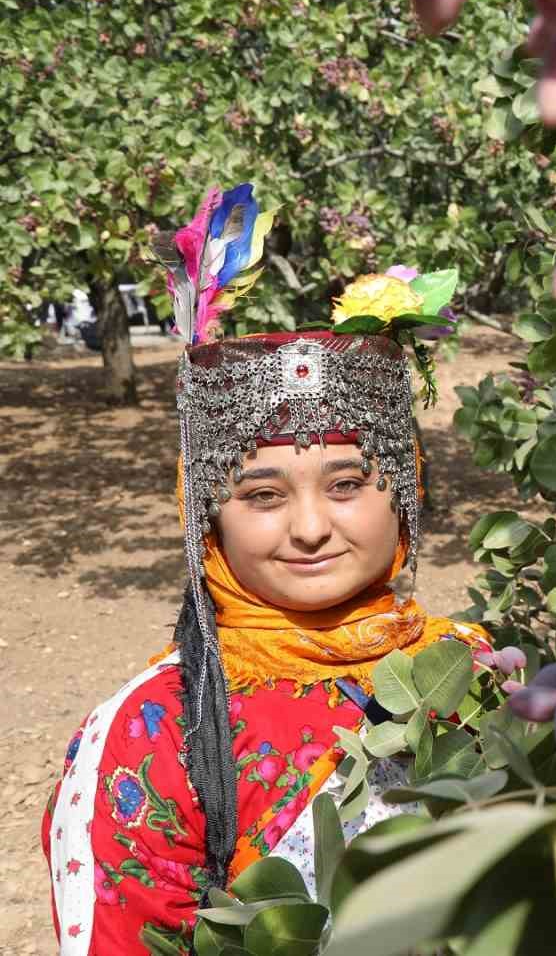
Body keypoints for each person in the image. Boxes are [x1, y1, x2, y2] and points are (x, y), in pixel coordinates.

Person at [40, 184, 481, 955]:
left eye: (348, 486)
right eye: (263, 496)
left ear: (407, 485)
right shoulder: (155, 739)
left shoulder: (479, 674)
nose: (311, 528)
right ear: (205, 515)